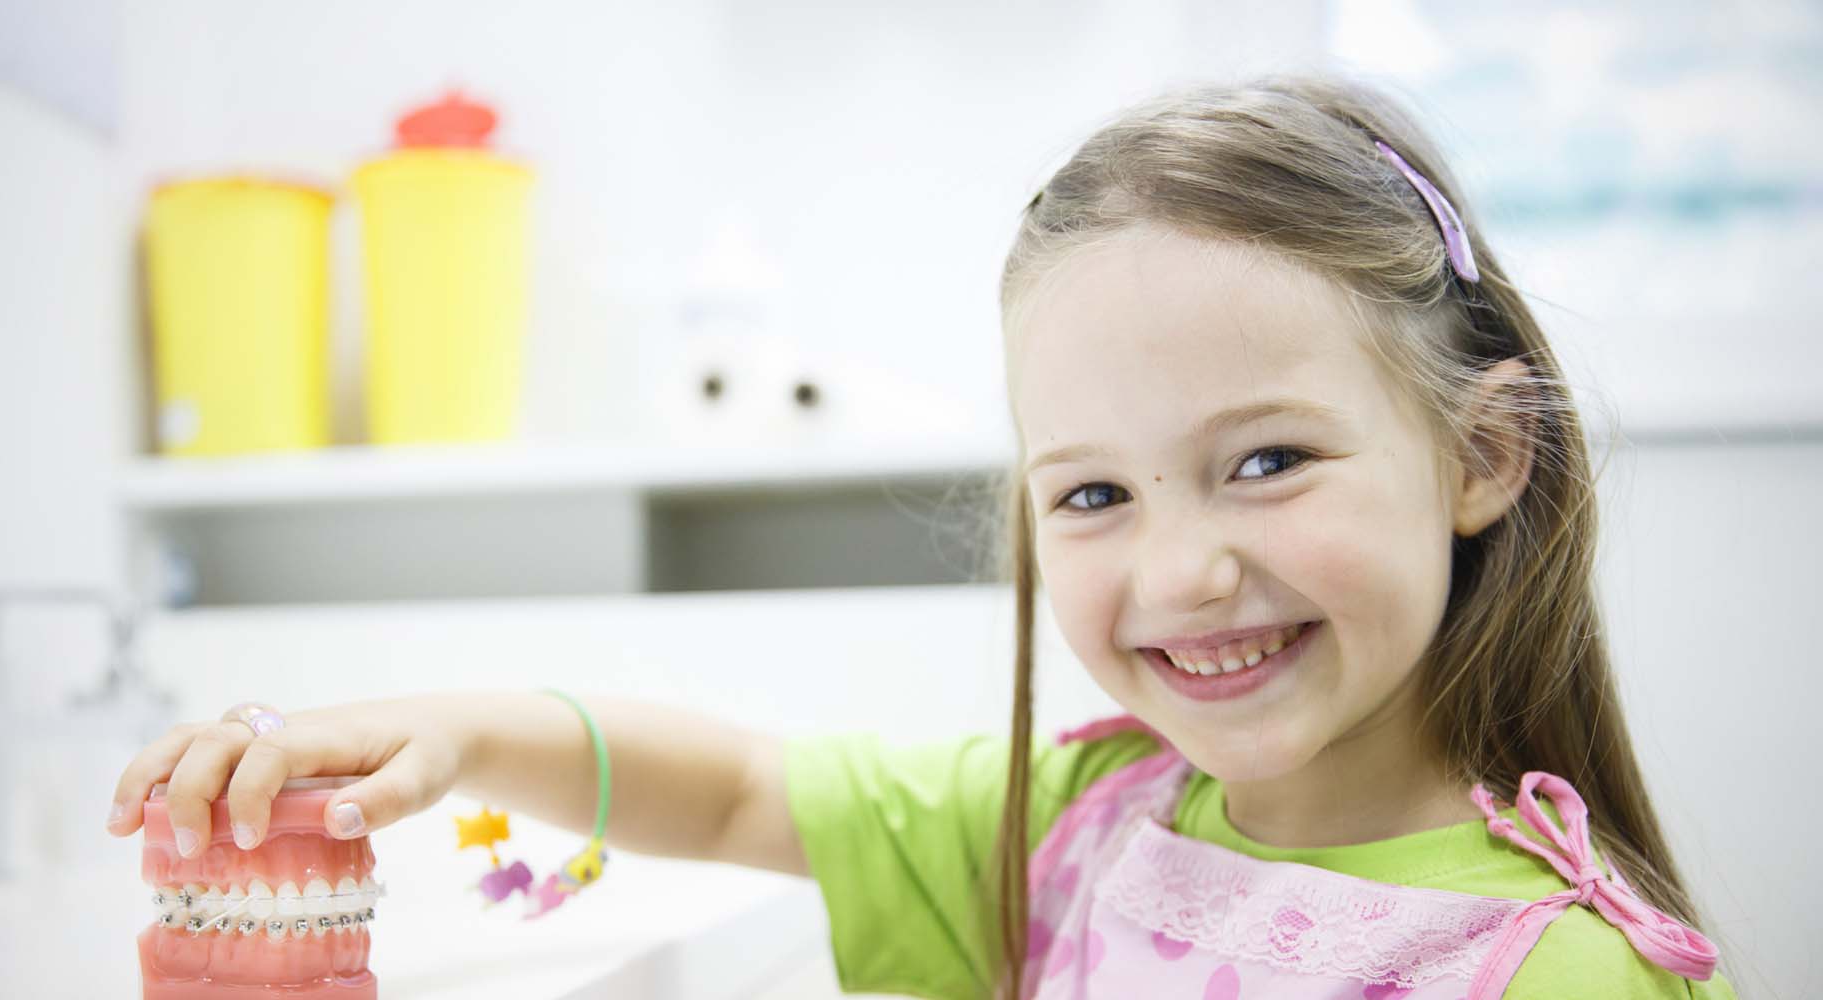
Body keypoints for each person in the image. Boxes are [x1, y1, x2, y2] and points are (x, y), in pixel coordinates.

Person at [108, 73, 1734, 999]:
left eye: (1267, 461)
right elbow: (741, 787)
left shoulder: (1559, 976)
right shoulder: (1088, 823)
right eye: (1093, 493)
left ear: (1482, 452)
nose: (1179, 573)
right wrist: (448, 732)